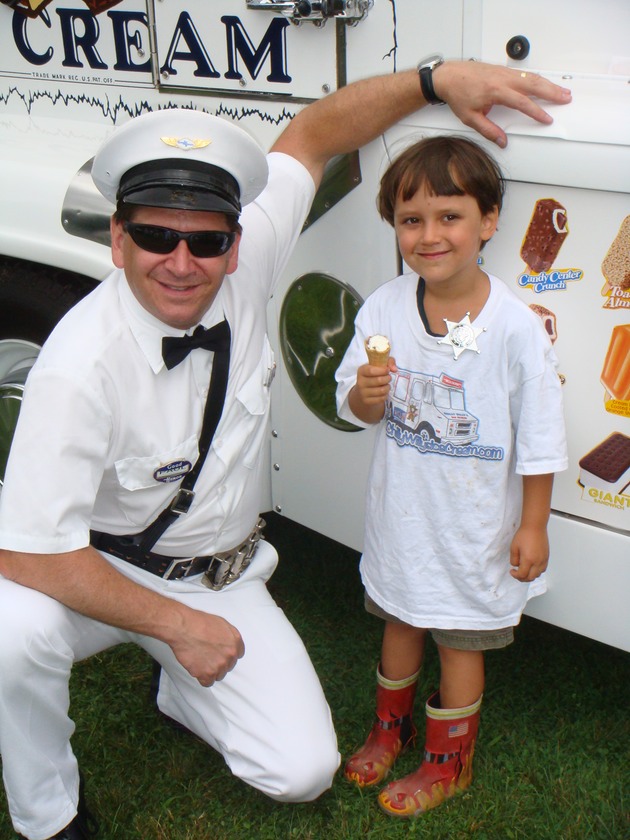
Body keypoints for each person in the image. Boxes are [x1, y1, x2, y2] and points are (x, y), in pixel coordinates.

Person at [0, 61, 571, 840]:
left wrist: (438, 81)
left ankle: (179, 692)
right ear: (118, 240)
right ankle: (47, 815)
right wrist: (174, 625)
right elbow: (29, 555)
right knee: (10, 632)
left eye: (205, 241)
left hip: (217, 574)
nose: (181, 261)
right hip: (92, 574)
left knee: (300, 772)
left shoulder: (246, 261)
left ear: (238, 245)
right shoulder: (75, 367)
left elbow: (313, 133)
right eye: (155, 236)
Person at [335, 135, 568, 818]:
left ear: (489, 221)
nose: (429, 235)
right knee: (400, 617)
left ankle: (449, 760)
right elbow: (352, 400)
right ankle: (390, 727)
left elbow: (542, 434)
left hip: (474, 528)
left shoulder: (516, 328)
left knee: (459, 634)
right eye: (412, 220)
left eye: (449, 216)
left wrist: (533, 524)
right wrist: (366, 397)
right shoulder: (383, 308)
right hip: (403, 516)